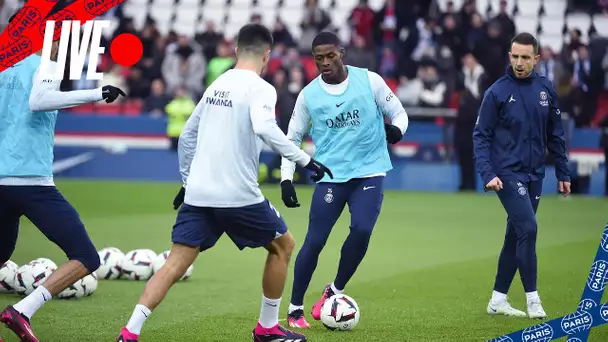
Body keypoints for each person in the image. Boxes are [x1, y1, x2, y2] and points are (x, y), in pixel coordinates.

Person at [116, 24, 332, 342]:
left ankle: (130, 332)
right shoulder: (261, 88)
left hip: (199, 193)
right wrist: (305, 159)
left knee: (175, 262)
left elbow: (187, 135)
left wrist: (187, 181)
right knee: (283, 246)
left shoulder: (217, 83)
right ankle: (268, 328)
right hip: (238, 195)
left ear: (235, 51)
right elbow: (265, 127)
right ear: (267, 55)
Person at [0, 14, 125, 342]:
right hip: (31, 182)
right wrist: (96, 93)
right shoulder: (44, 64)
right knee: (87, 257)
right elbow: (39, 101)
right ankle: (22, 310)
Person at [280, 31, 409, 328]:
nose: (325, 62)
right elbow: (292, 139)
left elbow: (398, 113)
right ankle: (296, 308)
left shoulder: (370, 80)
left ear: (342, 53)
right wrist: (287, 179)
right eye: (318, 58)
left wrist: (398, 130)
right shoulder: (309, 95)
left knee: (362, 230)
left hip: (370, 171)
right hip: (330, 176)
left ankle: (334, 291)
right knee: (314, 241)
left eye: (330, 56)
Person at [473, 32, 571, 319]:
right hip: (506, 174)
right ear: (509, 56)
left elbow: (555, 133)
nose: (519, 62)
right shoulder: (497, 92)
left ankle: (497, 300)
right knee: (528, 228)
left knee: (515, 235)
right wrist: (487, 172)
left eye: (525, 57)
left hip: (535, 174)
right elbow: (481, 136)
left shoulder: (546, 89)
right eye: (515, 56)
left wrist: (563, 171)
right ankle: (533, 299)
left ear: (536, 59)